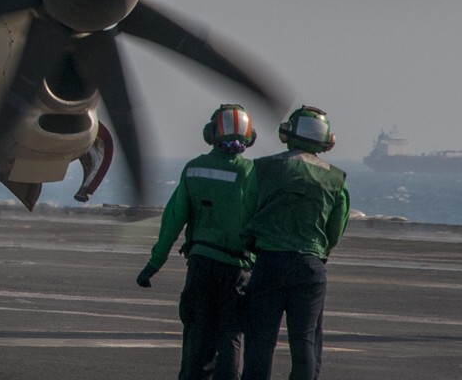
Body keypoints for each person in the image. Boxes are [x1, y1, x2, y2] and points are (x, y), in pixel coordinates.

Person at [138, 103, 259, 380]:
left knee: (197, 335)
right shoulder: (252, 173)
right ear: (249, 137)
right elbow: (262, 223)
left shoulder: (194, 169)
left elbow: (173, 219)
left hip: (201, 264)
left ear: (210, 134)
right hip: (237, 268)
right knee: (230, 335)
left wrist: (154, 263)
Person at [240, 106, 349, 380]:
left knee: (260, 340)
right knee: (305, 341)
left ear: (289, 133)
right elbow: (336, 228)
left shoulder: (263, 167)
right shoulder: (336, 178)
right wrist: (318, 252)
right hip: (310, 265)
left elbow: (246, 209)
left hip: (269, 263)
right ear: (325, 141)